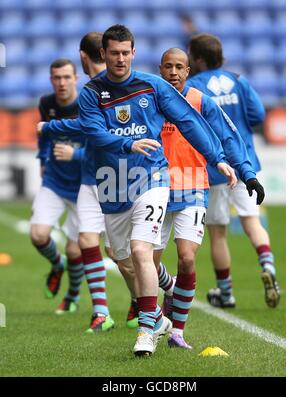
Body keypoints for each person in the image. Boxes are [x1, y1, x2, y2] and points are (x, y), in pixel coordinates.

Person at [39, 25, 237, 357]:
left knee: (141, 249)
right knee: (121, 257)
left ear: (134, 52)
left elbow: (188, 120)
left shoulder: (153, 85)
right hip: (112, 183)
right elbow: (95, 134)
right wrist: (129, 143)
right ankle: (160, 311)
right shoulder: (91, 93)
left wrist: (217, 158)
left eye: (125, 52)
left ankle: (146, 329)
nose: (119, 59)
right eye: (113, 53)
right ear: (103, 54)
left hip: (153, 177)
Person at [152, 47, 265, 349]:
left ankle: (177, 333)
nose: (173, 72)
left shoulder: (202, 101)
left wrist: (247, 172)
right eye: (168, 67)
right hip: (155, 189)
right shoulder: (147, 100)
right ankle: (169, 287)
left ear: (189, 72)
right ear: (160, 69)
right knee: (147, 265)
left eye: (179, 67)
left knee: (187, 258)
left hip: (193, 188)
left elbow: (229, 138)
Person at [187, 33, 280, 308]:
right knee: (252, 220)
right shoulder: (238, 80)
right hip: (245, 163)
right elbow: (259, 116)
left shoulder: (194, 86)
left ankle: (226, 292)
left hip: (215, 167)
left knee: (218, 232)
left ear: (199, 59)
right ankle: (268, 266)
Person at [51, 33, 118, 332]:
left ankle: (159, 296)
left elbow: (106, 136)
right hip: (92, 178)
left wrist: (74, 152)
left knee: (123, 254)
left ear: (82, 56)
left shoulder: (112, 87)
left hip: (118, 178)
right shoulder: (90, 90)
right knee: (86, 241)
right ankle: (101, 312)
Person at [30, 59, 85, 309]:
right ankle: (56, 264)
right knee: (38, 235)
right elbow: (44, 134)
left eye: (66, 77)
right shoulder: (46, 103)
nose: (61, 83)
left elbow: (100, 145)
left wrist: (76, 154)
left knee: (76, 252)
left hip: (83, 187)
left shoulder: (87, 105)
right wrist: (42, 158)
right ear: (51, 80)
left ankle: (72, 296)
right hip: (54, 180)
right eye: (56, 78)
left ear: (76, 78)